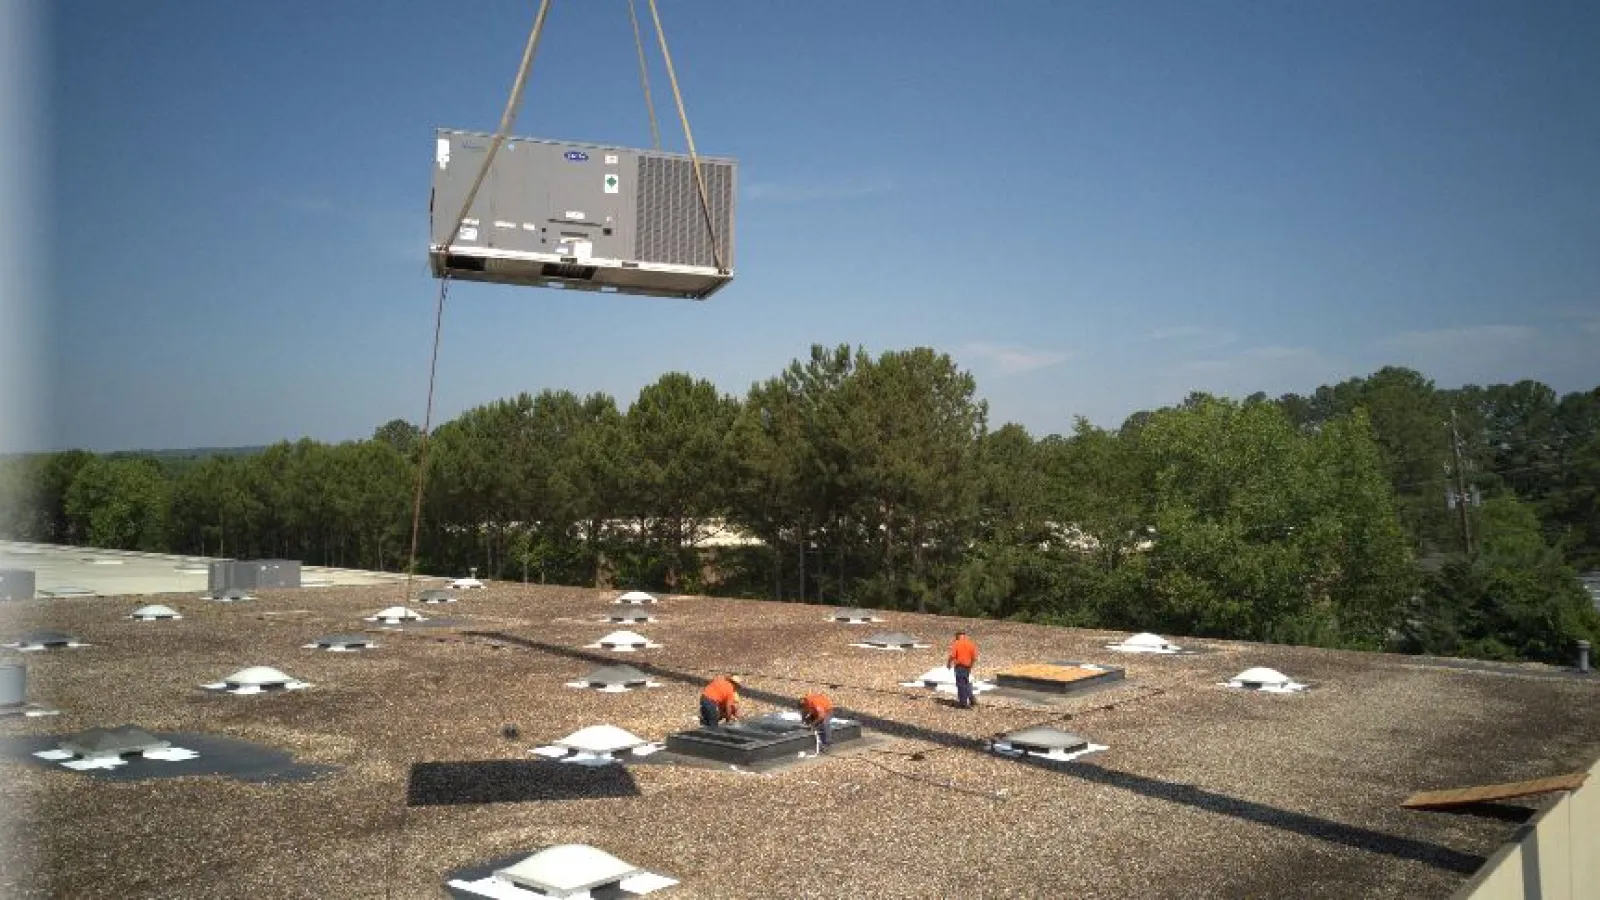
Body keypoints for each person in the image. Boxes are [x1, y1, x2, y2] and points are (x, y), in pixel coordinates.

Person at [948, 630, 978, 709]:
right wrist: (970, 666)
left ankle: (963, 703)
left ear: (958, 636)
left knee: (961, 685)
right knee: (966, 683)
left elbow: (952, 656)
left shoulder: (956, 643)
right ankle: (972, 699)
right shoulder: (970, 644)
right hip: (967, 666)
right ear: (964, 636)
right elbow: (974, 658)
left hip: (960, 666)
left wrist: (948, 663)